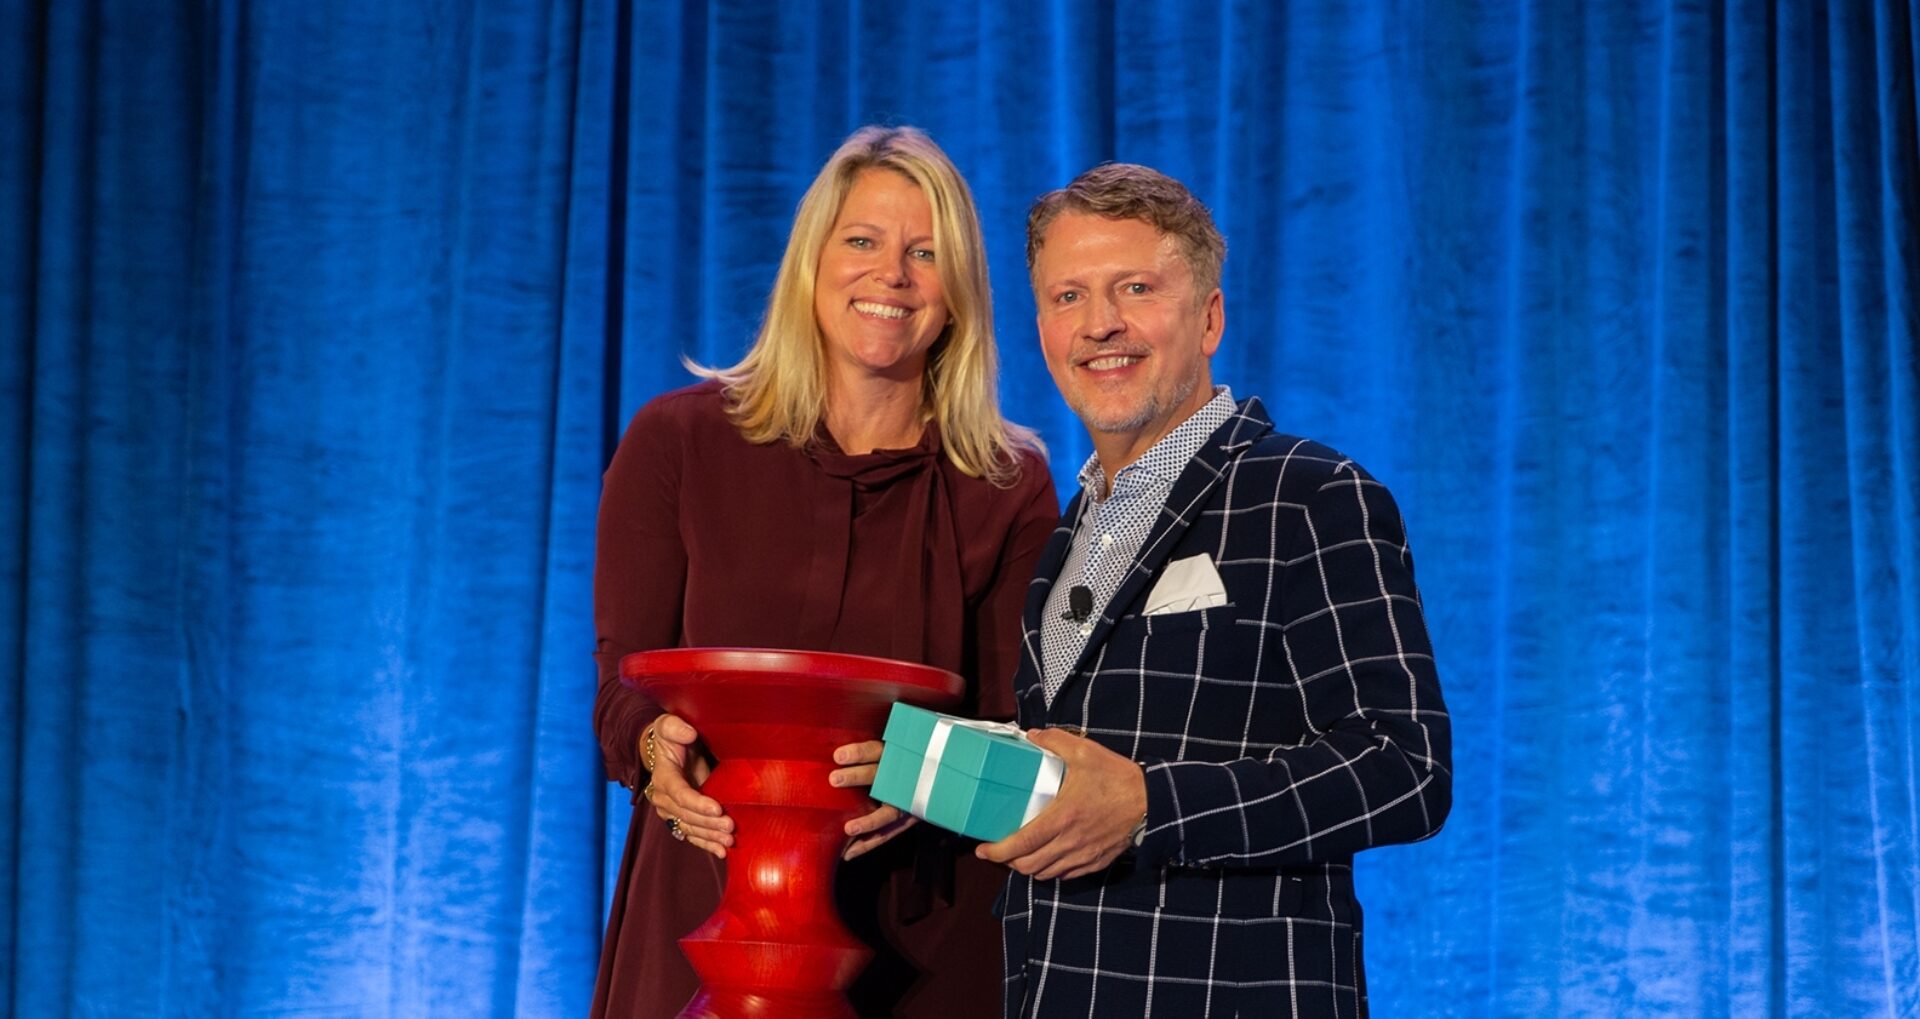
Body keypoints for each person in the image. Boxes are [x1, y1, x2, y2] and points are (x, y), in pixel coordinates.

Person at [591, 126, 1058, 1017]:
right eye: (863, 242)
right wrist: (657, 752)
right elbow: (620, 682)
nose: (893, 275)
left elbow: (1024, 739)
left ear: (958, 293)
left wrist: (922, 779)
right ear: (811, 263)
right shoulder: (676, 441)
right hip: (710, 904)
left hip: (924, 936)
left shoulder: (1008, 481)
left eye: (926, 253)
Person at [977, 163, 1452, 1017]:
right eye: (1067, 296)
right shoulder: (1063, 533)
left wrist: (1153, 803)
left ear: (1210, 317)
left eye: (1135, 287)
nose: (1101, 325)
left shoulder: (1311, 494)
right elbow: (1070, 781)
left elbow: (1404, 766)